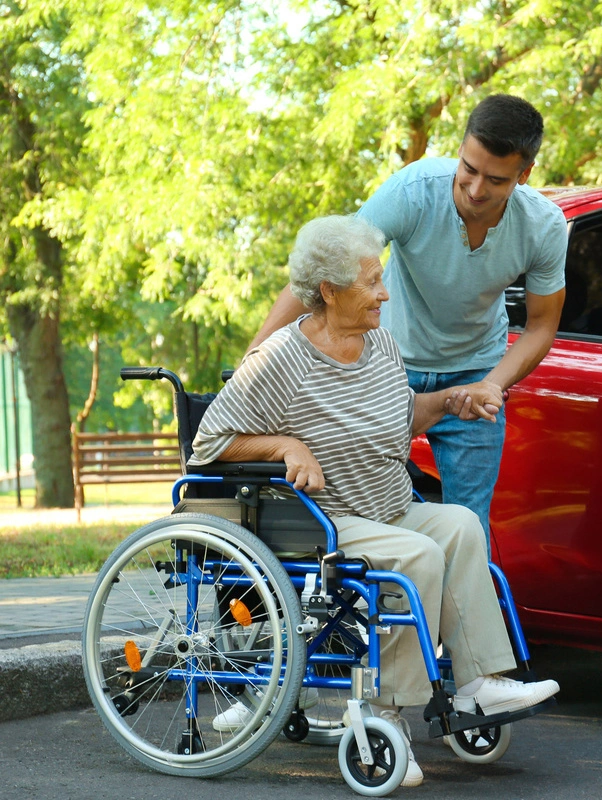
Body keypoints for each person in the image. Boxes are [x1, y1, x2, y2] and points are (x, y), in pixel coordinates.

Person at [192, 215, 560, 787]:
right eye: (371, 283)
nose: (385, 294)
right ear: (330, 291)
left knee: (461, 524)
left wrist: (450, 402)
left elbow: (399, 415)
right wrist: (286, 443)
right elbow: (209, 445)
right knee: (419, 555)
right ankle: (386, 714)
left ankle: (480, 682)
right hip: (328, 521)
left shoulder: (379, 344)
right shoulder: (278, 361)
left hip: (387, 504)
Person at [248, 94, 568, 554]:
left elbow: (541, 325)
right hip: (385, 367)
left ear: (525, 174)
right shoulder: (415, 190)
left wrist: (492, 385)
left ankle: (447, 625)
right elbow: (327, 273)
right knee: (360, 510)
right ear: (460, 150)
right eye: (468, 169)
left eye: (495, 180)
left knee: (469, 526)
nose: (476, 189)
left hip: (474, 370)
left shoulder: (543, 226)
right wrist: (256, 359)